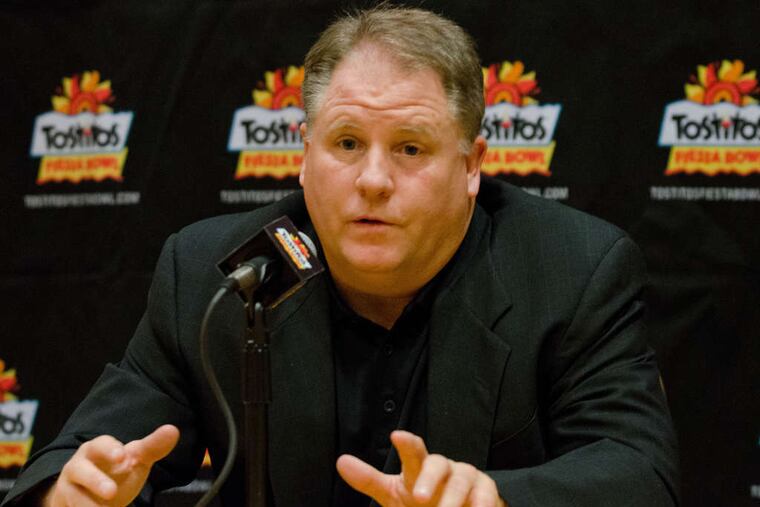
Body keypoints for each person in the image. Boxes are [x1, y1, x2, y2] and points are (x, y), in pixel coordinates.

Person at [3, 5, 679, 507]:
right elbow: (80, 459)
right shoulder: (219, 271)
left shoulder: (571, 270)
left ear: (472, 164)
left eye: (410, 148)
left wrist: (494, 497)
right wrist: (71, 492)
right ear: (305, 155)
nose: (374, 180)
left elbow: (639, 472)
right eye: (347, 143)